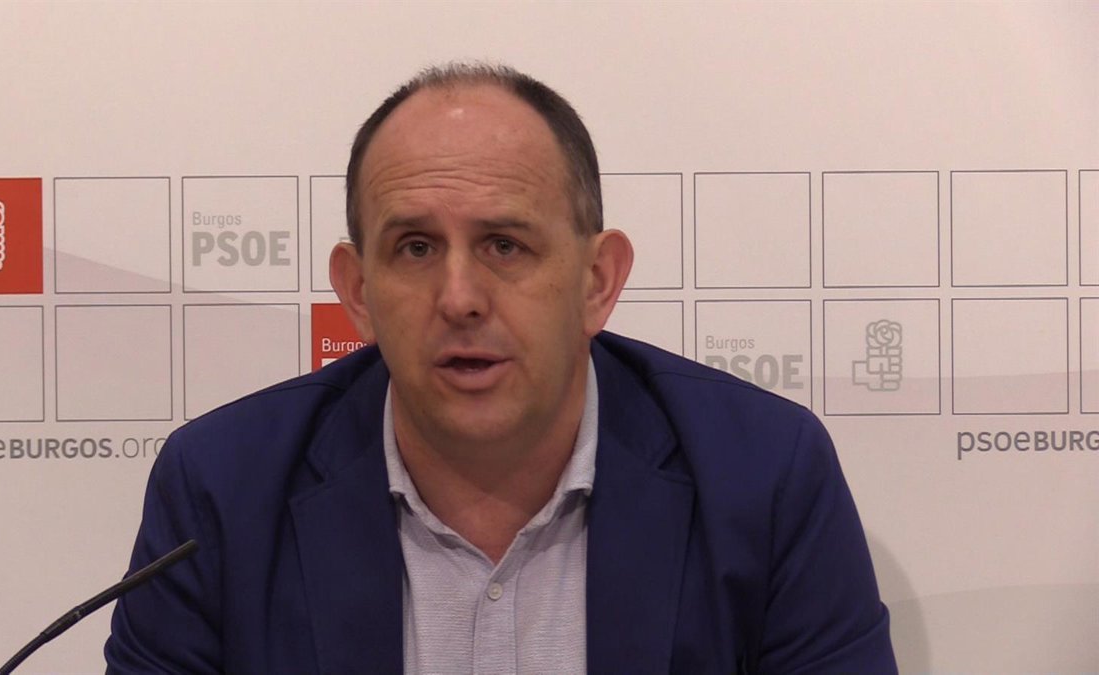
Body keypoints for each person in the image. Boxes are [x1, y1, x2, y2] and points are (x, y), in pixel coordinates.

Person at [106, 63, 896, 673]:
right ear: (358, 291)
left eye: (504, 245)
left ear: (597, 282)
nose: (459, 297)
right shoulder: (219, 489)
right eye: (416, 247)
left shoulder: (765, 476)